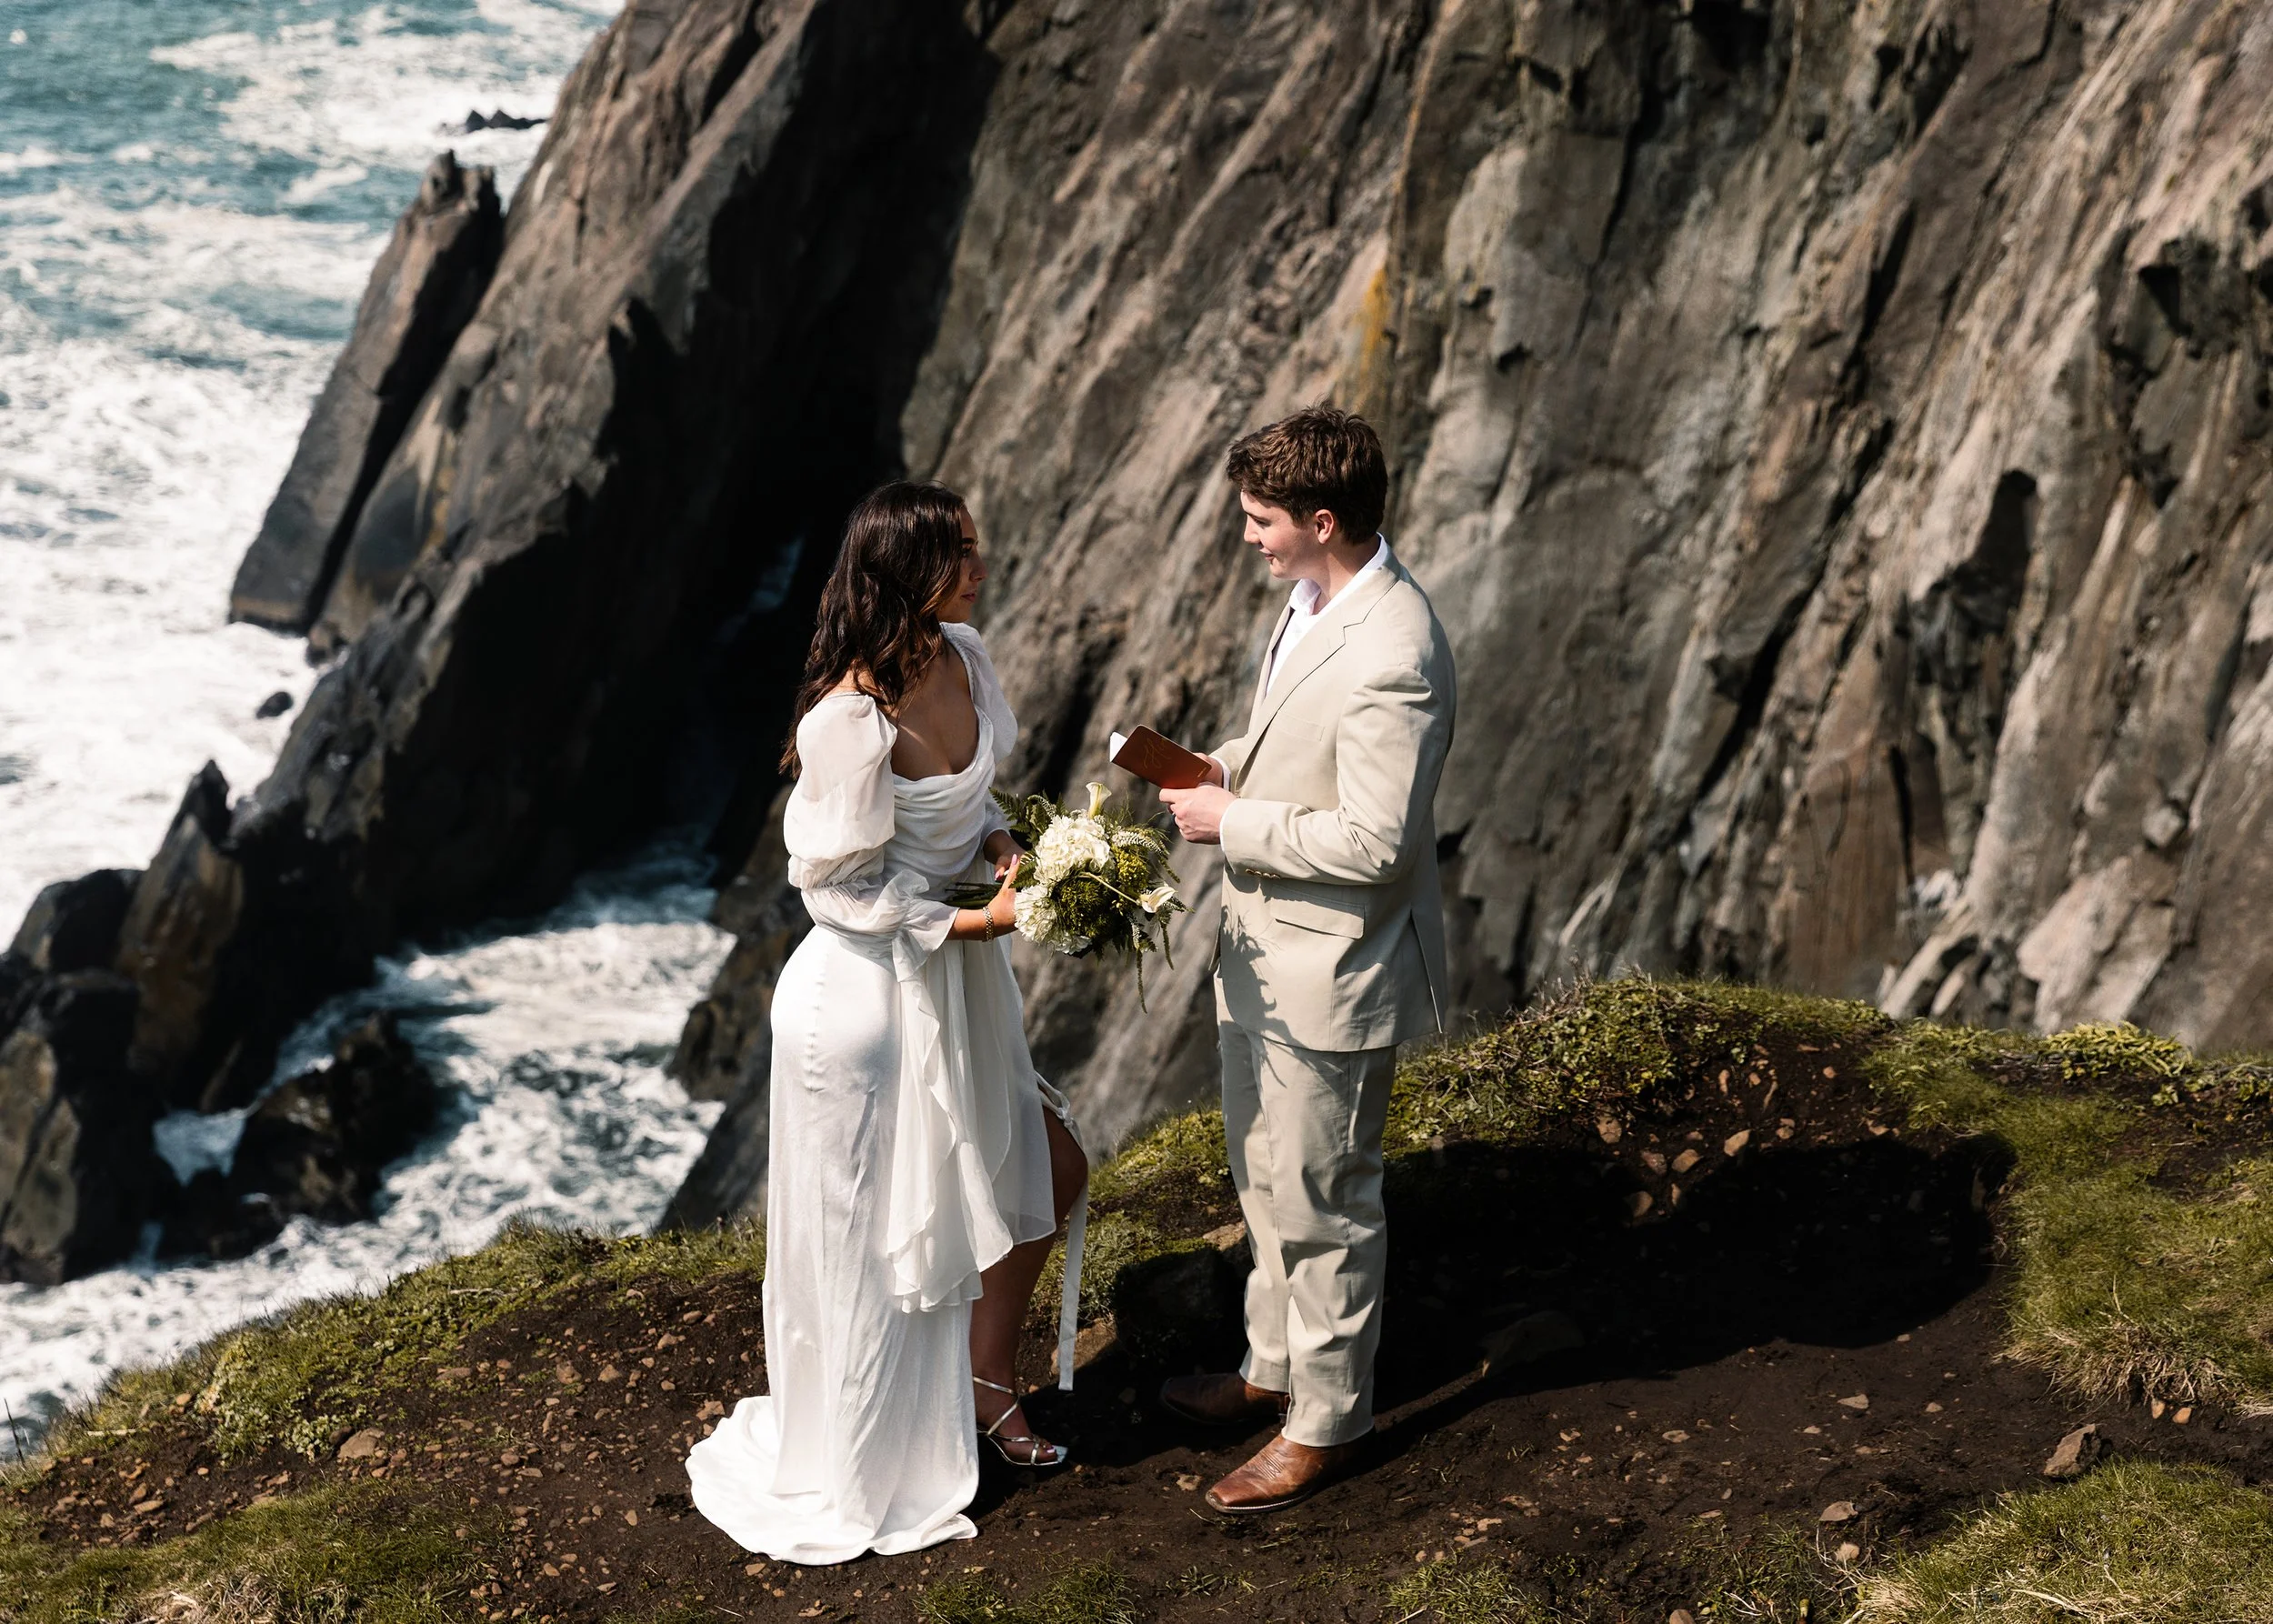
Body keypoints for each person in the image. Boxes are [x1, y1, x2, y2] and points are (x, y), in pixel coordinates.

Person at [686, 481, 1088, 1564]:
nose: (980, 570)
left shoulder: (964, 654)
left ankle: (983, 1387)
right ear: (909, 574)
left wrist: (1005, 850)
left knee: (1044, 1172)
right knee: (873, 1239)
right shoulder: (846, 722)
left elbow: (968, 801)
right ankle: (871, 1453)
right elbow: (837, 890)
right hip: (860, 1002)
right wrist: (980, 918)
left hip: (953, 980)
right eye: (961, 555)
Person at [1158, 406, 1457, 1515]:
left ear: (1321, 520)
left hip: (1332, 970)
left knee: (1326, 1195)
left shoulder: (1397, 651)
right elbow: (1296, 743)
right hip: (1268, 954)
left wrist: (1229, 824)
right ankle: (1268, 1366)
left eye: (1260, 520)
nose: (1247, 537)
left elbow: (1378, 844)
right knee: (1264, 1173)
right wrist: (1219, 766)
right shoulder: (1316, 597)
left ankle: (1327, 1423)